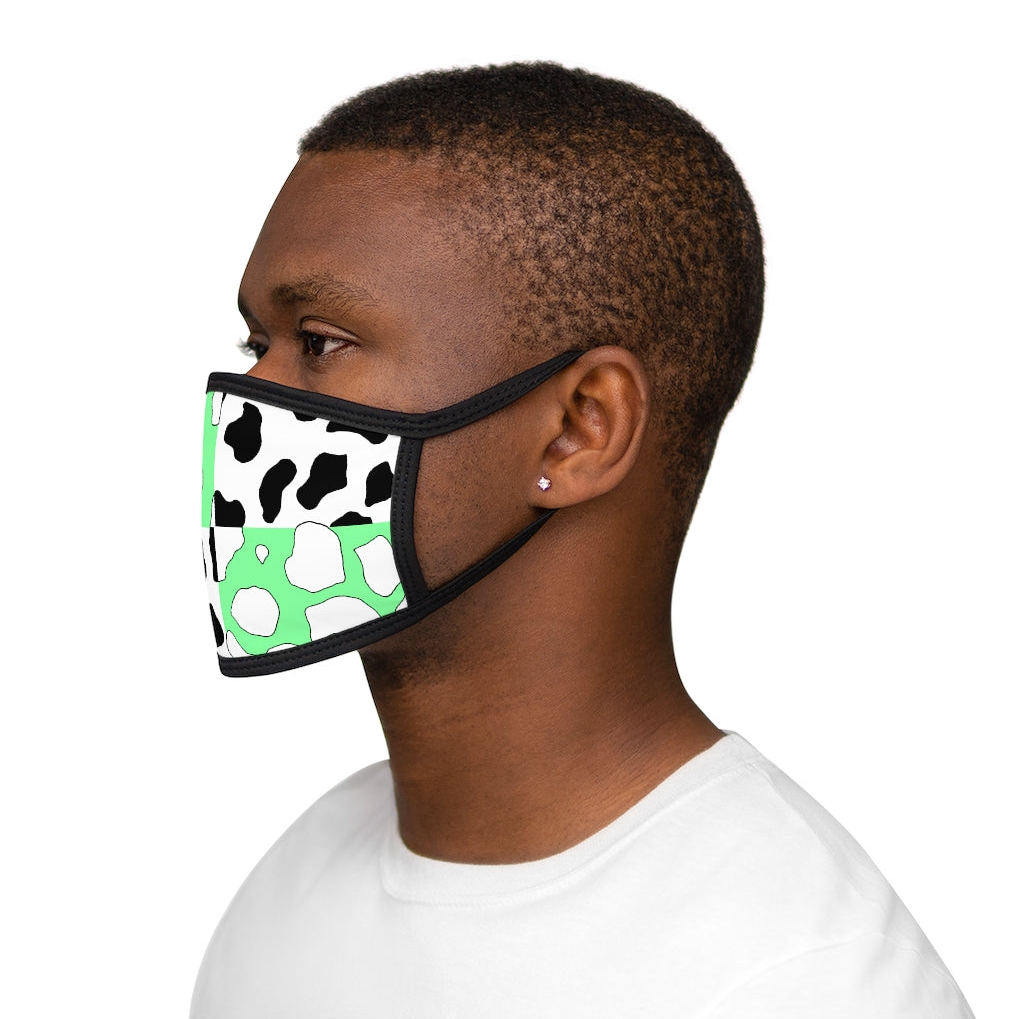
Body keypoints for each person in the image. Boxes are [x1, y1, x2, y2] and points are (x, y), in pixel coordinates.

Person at [192, 63, 974, 1017]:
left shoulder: (803, 981)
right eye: (255, 346)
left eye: (320, 342)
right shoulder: (290, 893)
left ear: (579, 430)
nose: (251, 406)